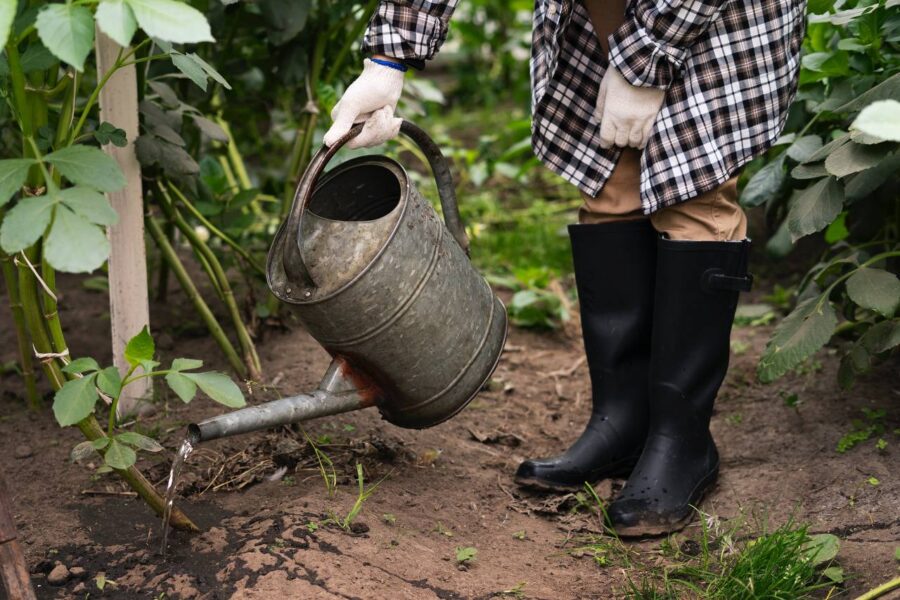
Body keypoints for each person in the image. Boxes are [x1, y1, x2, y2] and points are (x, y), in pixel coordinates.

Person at [323, 0, 806, 536]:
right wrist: (387, 62)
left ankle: (682, 440)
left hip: (703, 18)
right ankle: (623, 422)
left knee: (692, 195)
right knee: (612, 186)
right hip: (604, 15)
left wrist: (645, 60)